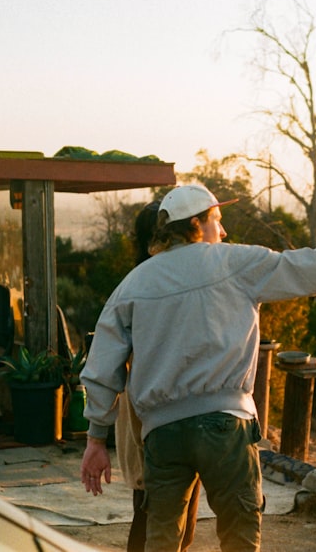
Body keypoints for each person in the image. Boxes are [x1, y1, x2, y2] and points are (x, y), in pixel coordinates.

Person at [80, 183, 316, 552]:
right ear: (196, 223)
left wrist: (97, 437)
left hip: (163, 434)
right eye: (217, 221)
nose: (222, 231)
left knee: (161, 540)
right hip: (226, 426)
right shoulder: (235, 262)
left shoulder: (134, 283)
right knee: (240, 533)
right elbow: (309, 266)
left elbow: (102, 364)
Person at [117, 200, 201, 552]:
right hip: (151, 415)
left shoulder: (146, 282)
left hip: (165, 414)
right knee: (152, 516)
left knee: (174, 521)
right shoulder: (147, 288)